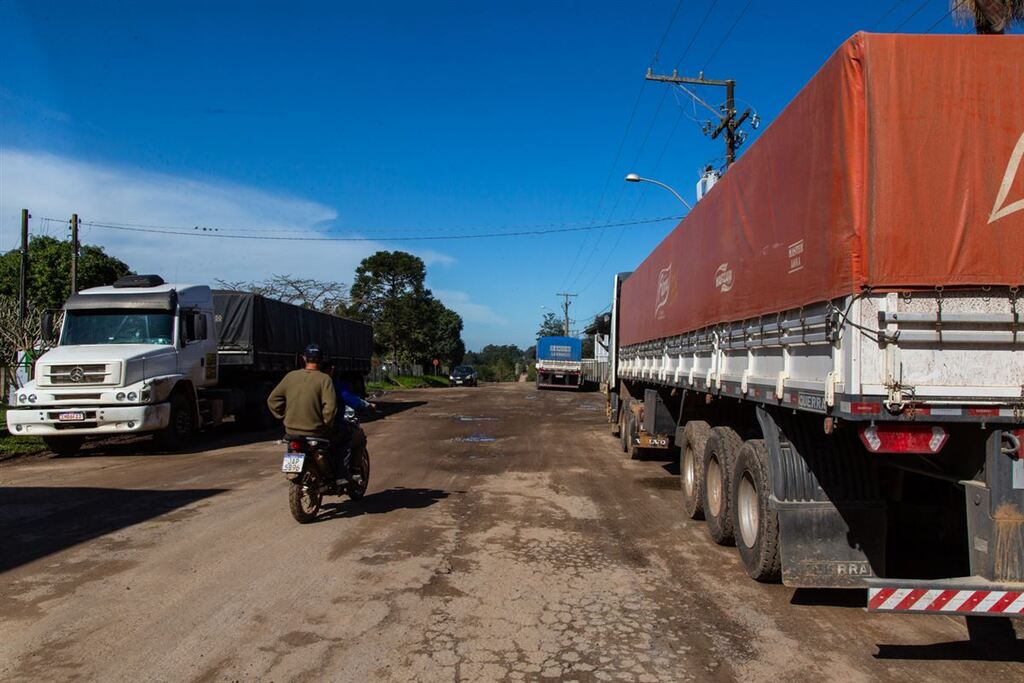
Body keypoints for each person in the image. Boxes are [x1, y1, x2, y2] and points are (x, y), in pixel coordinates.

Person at [320, 360, 375, 486]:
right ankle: (344, 473)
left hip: (295, 429)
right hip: (324, 428)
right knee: (353, 436)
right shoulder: (333, 385)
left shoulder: (301, 382)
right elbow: (354, 401)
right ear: (331, 369)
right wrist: (369, 407)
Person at [267, 343, 337, 440]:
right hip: (315, 431)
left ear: (304, 358)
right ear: (321, 360)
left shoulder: (290, 376)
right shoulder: (325, 379)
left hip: (291, 430)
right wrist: (325, 424)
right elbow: (330, 408)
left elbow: (272, 400)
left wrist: (284, 416)